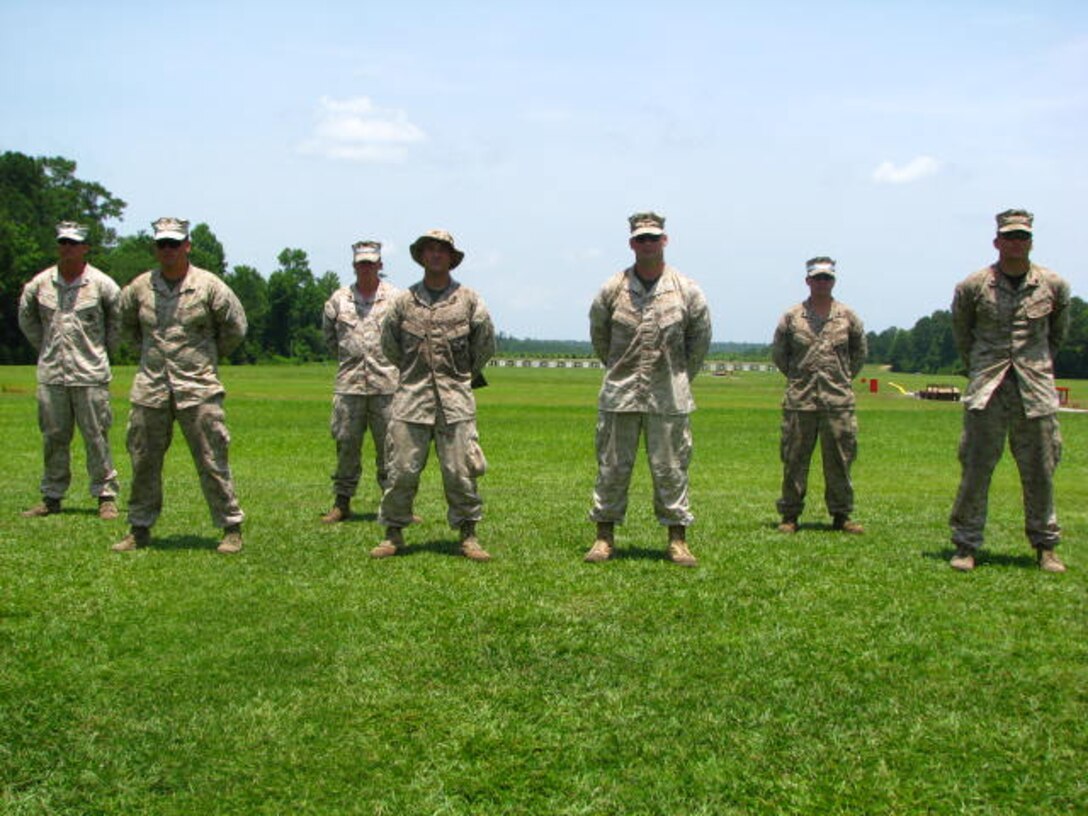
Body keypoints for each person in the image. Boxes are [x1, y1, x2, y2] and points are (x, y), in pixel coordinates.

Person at [111, 217, 248, 554]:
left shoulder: (209, 286)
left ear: (187, 245)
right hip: (151, 387)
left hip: (198, 387)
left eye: (175, 243)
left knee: (212, 459)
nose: (168, 250)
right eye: (162, 244)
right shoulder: (139, 288)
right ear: (155, 248)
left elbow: (235, 327)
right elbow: (124, 325)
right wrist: (147, 356)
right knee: (143, 460)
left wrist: (205, 358)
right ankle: (139, 528)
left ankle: (231, 527)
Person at [584, 212, 712, 566]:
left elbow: (698, 342)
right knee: (611, 468)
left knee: (671, 469)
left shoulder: (687, 290)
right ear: (631, 244)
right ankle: (604, 538)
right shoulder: (613, 289)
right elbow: (600, 337)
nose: (647, 244)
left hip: (668, 396)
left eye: (653, 238)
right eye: (641, 239)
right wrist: (619, 370)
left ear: (665, 241)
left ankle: (677, 540)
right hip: (620, 395)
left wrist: (679, 376)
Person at [948, 209, 1070, 573]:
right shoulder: (972, 286)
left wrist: (1037, 366)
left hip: (1034, 389)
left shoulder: (1053, 285)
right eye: (1010, 236)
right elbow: (962, 334)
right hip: (988, 387)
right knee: (975, 468)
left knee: (1041, 470)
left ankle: (1045, 546)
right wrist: (982, 364)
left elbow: (1056, 336)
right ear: (997, 241)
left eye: (1023, 236)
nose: (1017, 242)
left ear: (1031, 241)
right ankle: (966, 544)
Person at [371, 229, 496, 561]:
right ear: (421, 256)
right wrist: (414, 376)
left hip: (455, 403)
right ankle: (393, 534)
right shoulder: (403, 302)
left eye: (443, 250)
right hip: (411, 400)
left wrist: (459, 378)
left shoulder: (469, 300)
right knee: (401, 470)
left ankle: (468, 535)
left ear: (452, 257)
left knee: (460, 472)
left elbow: (484, 345)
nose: (436, 254)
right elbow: (389, 345)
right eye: (430, 249)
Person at [18, 221, 122, 519]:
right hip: (52, 373)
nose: (67, 248)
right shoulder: (40, 284)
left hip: (90, 374)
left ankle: (105, 495)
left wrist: (101, 352)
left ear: (85, 248)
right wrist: (46, 348)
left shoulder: (102, 284)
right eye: (63, 242)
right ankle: (51, 496)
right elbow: (27, 319)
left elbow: (118, 321)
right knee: (53, 436)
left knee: (97, 436)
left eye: (73, 243)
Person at [772, 257, 867, 534]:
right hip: (800, 401)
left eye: (827, 278)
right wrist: (798, 377)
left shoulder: (848, 317)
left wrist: (842, 379)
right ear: (808, 281)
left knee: (840, 460)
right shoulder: (792, 317)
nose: (822, 282)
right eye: (817, 278)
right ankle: (790, 515)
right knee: (794, 460)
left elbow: (859, 354)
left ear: (833, 281)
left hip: (838, 402)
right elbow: (780, 355)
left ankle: (841, 515)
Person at [319, 240, 401, 523]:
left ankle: (394, 506)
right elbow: (330, 339)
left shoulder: (396, 299)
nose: (366, 267)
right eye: (361, 262)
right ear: (354, 265)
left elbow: (406, 340)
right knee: (345, 446)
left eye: (371, 262)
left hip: (387, 386)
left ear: (380, 264)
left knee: (391, 449)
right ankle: (342, 503)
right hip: (349, 387)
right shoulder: (338, 300)